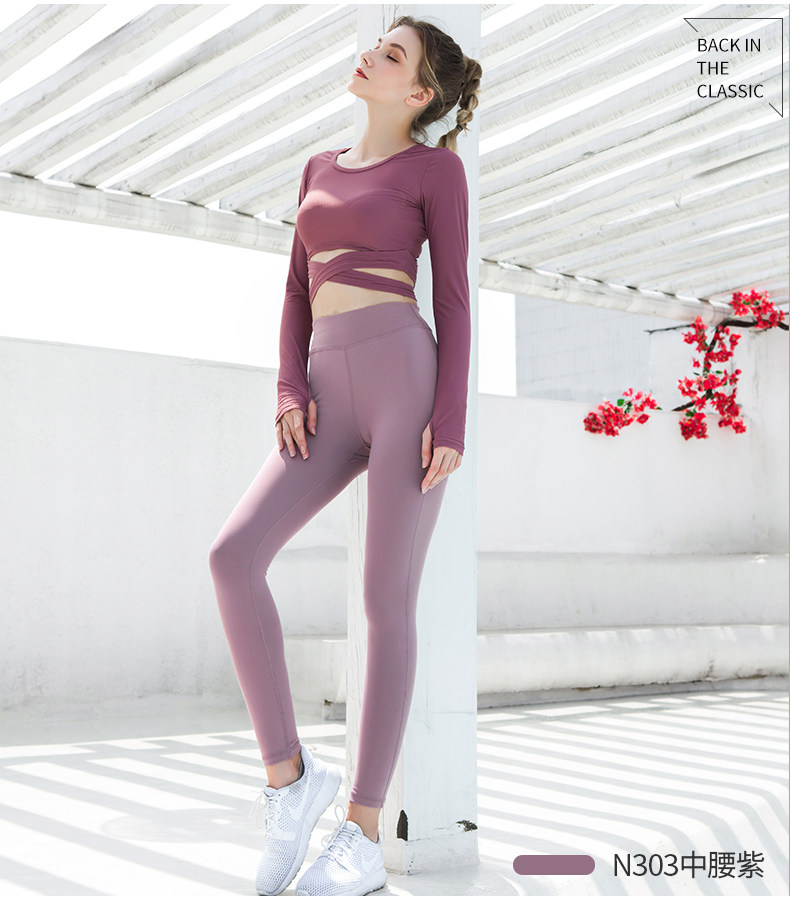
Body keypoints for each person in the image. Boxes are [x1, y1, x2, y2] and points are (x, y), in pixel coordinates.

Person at [208, 14, 482, 897]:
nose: (370, 55)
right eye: (377, 44)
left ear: (420, 93)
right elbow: (296, 289)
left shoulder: (435, 170)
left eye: (392, 54)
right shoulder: (318, 168)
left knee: (383, 601)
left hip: (406, 381)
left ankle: (361, 833)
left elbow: (455, 297)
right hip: (325, 391)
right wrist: (288, 388)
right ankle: (290, 782)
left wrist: (450, 417)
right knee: (233, 557)